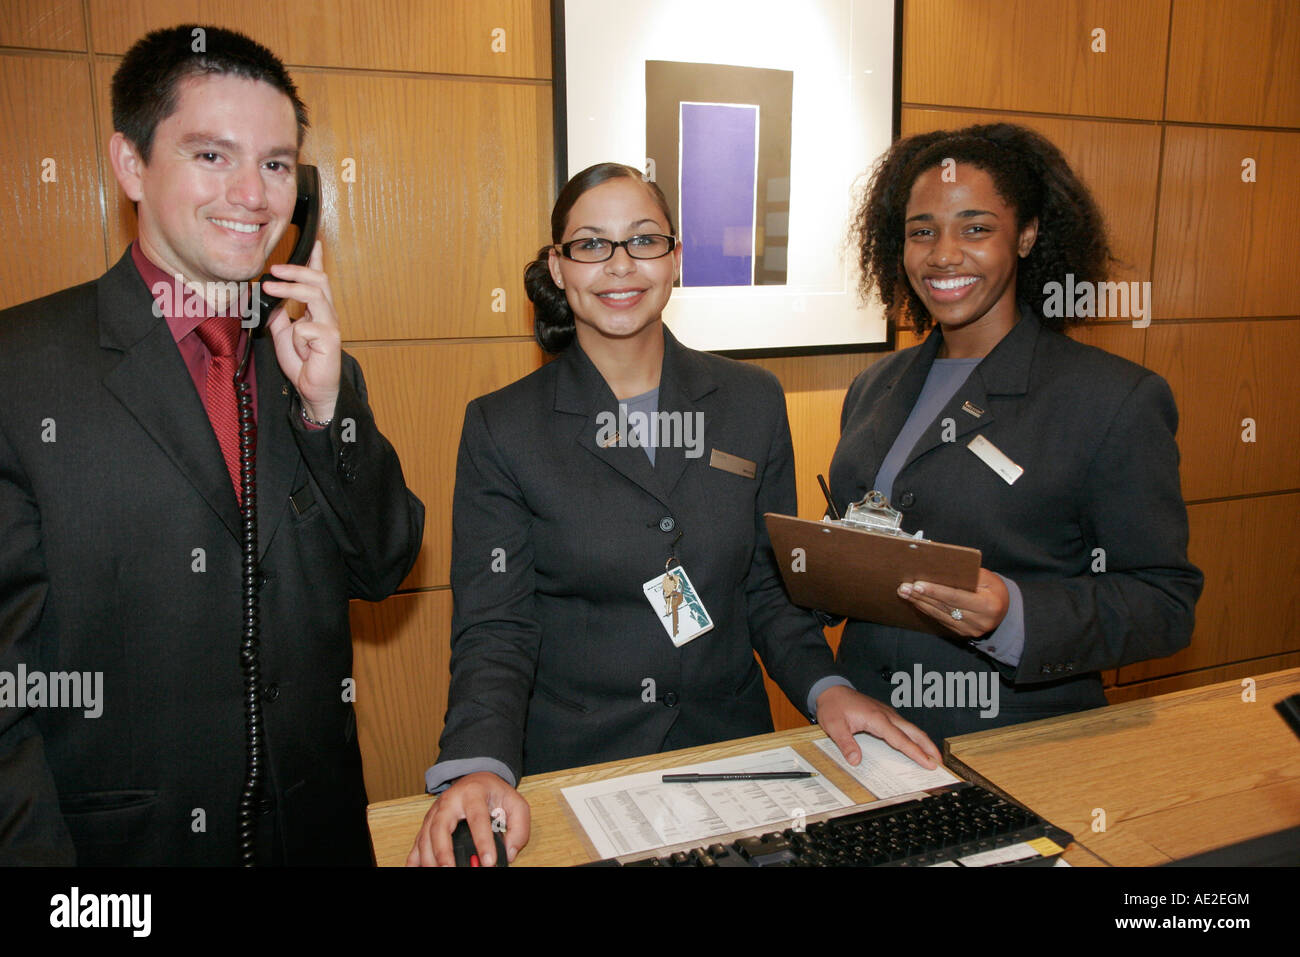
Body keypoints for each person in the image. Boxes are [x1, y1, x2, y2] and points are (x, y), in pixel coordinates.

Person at [407, 162, 940, 866]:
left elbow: (769, 588)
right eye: (592, 244)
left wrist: (828, 686)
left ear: (676, 259)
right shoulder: (503, 427)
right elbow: (496, 628)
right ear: (558, 266)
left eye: (644, 240)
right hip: (580, 773)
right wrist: (478, 764)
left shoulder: (751, 400)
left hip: (734, 760)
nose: (620, 264)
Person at [0, 25, 424, 865]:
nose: (252, 194)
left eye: (274, 164)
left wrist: (330, 410)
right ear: (130, 164)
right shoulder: (22, 369)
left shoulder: (306, 352)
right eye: (210, 156)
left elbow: (384, 566)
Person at [828, 123, 1203, 743]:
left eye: (976, 228)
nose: (944, 253)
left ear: (1026, 236)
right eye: (922, 231)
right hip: (868, 731)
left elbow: (1164, 604)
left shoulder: (1113, 398)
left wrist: (1015, 614)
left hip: (1017, 742)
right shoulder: (875, 386)